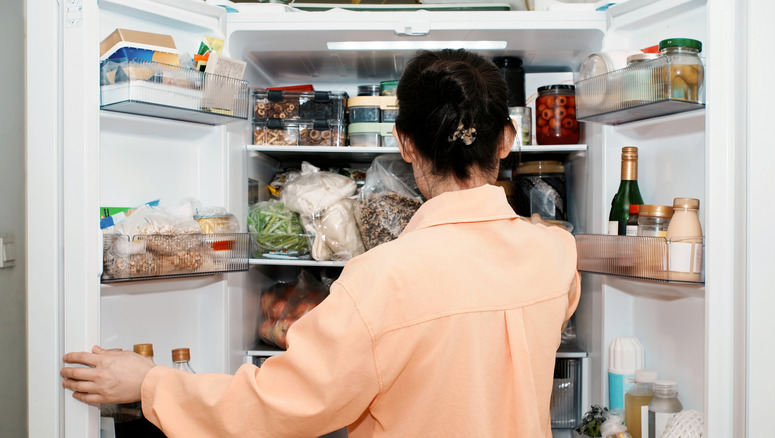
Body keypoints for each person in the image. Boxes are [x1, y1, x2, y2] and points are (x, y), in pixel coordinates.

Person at [62, 49, 580, 437]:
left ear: (403, 142)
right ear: (508, 139)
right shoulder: (555, 256)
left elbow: (278, 405)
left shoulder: (380, 280)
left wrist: (150, 383)